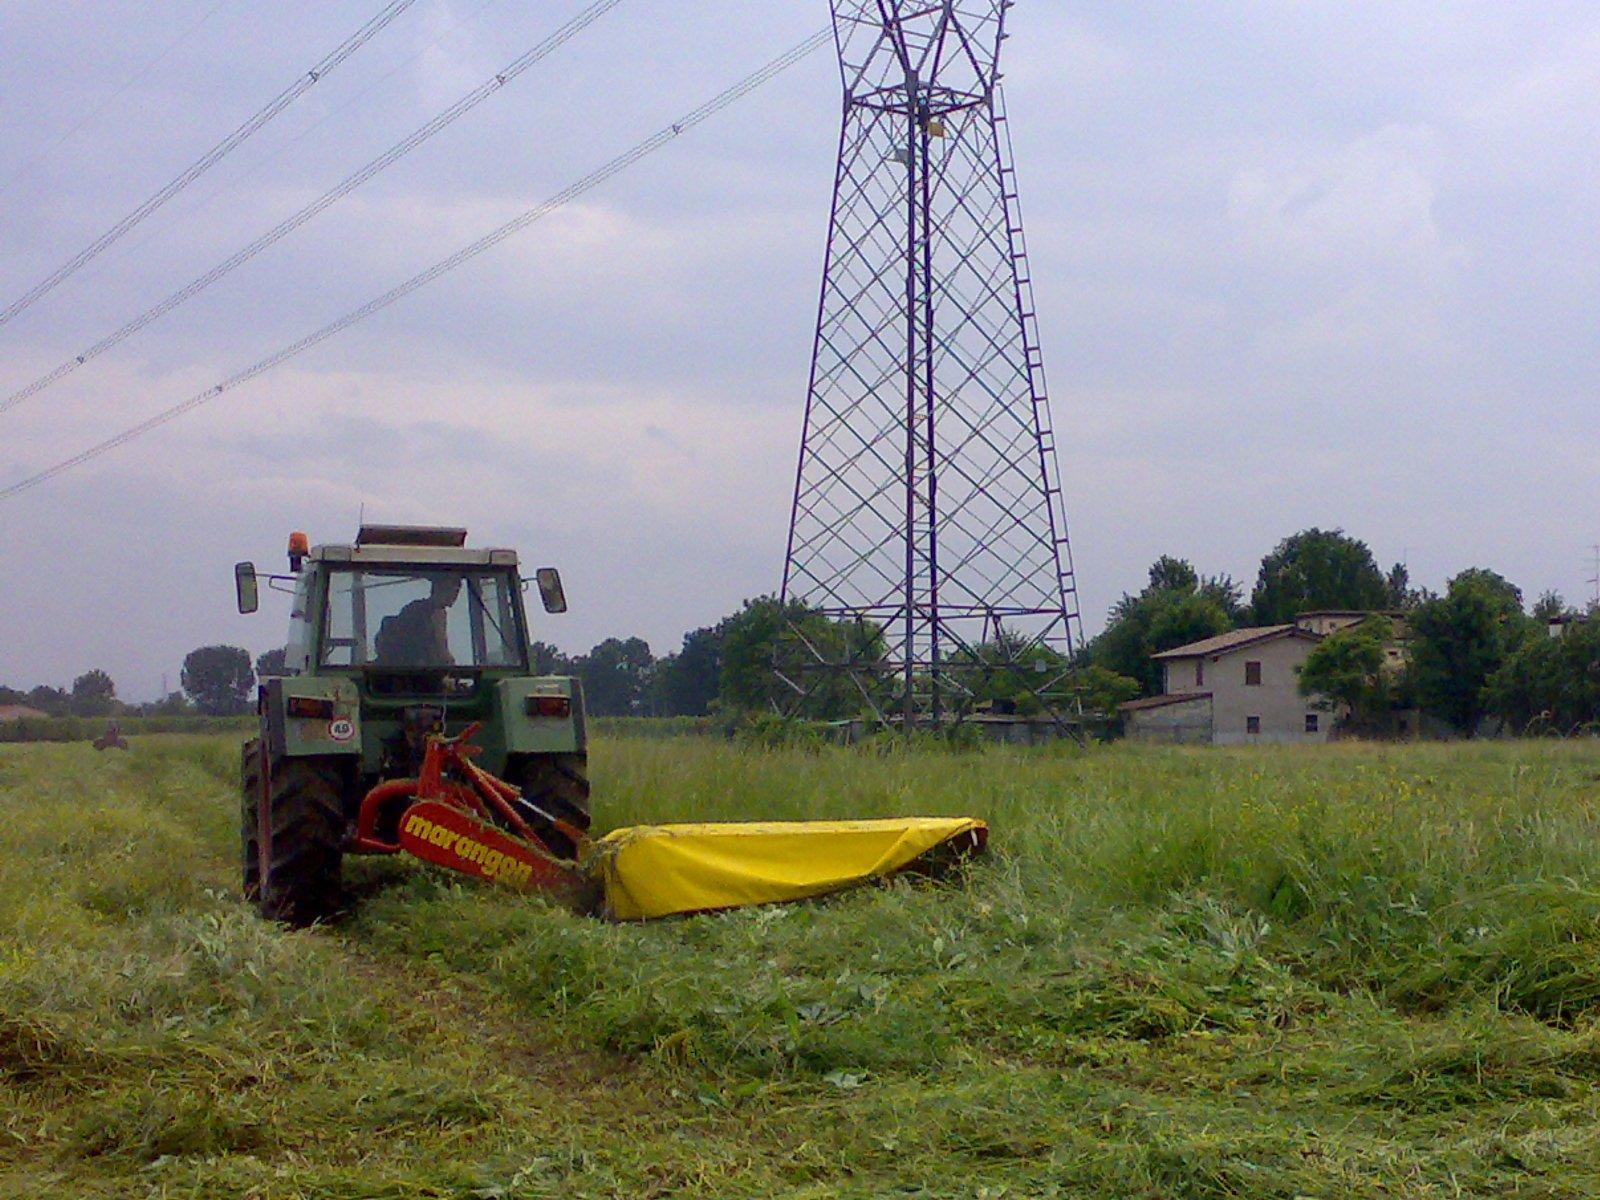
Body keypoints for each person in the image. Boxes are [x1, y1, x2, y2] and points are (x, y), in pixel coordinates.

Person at [375, 575, 461, 667]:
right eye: (453, 590)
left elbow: (441, 650)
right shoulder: (417, 610)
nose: (455, 595)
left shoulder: (439, 613)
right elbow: (437, 651)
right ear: (438, 588)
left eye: (457, 591)